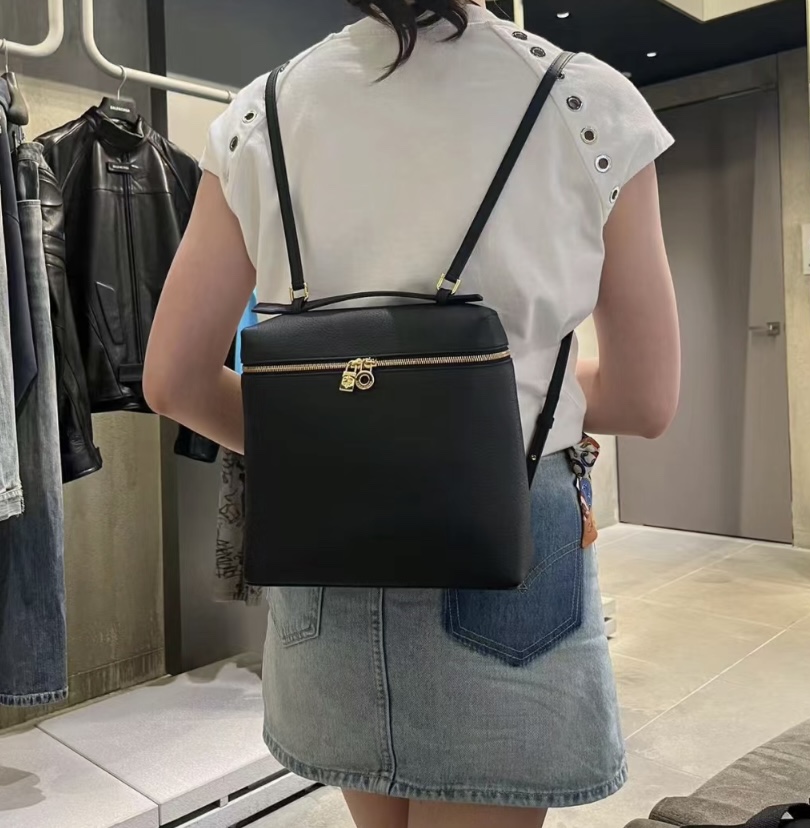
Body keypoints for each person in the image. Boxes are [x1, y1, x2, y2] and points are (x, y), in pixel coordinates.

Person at [144, 1, 680, 826]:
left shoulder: (259, 115)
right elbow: (645, 399)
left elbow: (174, 382)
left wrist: (345, 435)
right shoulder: (585, 103)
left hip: (331, 539)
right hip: (509, 532)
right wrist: (476, 403)